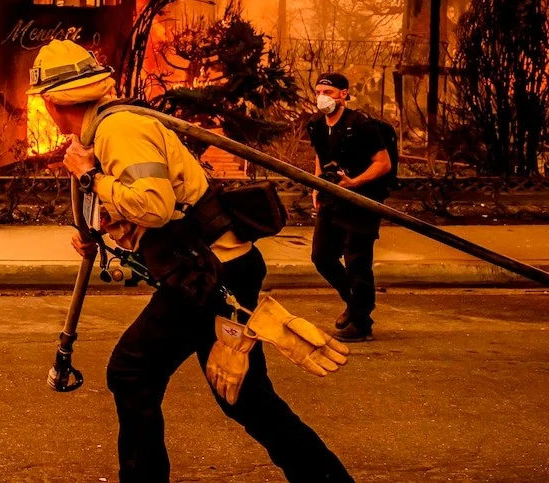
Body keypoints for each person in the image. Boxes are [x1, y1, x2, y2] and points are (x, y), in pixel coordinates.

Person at [28, 40, 352, 482]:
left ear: (50, 101)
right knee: (244, 398)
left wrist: (89, 175)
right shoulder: (106, 129)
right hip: (216, 266)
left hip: (210, 273)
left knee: (131, 371)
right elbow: (146, 206)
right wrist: (99, 229)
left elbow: (154, 206)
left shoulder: (117, 130)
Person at [306, 72, 392, 343]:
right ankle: (355, 306)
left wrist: (353, 183)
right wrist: (316, 186)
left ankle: (361, 323)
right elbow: (321, 158)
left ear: (343, 94)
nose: (322, 98)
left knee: (357, 261)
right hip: (331, 199)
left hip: (361, 201)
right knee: (322, 257)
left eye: (328, 93)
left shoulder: (362, 125)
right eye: (319, 92)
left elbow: (383, 163)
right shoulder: (317, 124)